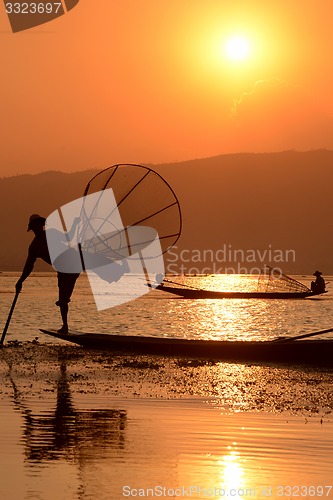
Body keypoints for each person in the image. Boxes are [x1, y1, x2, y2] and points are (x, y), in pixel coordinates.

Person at [16, 214, 81, 333]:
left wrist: (75, 224)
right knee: (63, 298)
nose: (39, 226)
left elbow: (69, 236)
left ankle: (63, 303)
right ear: (32, 227)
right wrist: (20, 281)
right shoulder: (34, 247)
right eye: (36, 224)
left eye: (40, 223)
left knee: (64, 298)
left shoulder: (52, 233)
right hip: (62, 270)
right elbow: (29, 266)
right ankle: (65, 325)